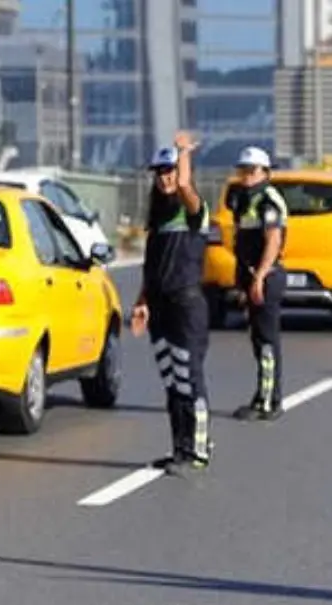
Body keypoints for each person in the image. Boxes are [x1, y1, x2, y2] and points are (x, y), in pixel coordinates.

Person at [129, 132, 212, 473]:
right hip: (161, 306)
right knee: (171, 380)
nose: (165, 177)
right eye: (160, 172)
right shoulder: (159, 220)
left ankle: (199, 450)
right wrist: (142, 303)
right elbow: (151, 268)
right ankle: (179, 448)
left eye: (170, 171)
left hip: (187, 305)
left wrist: (183, 156)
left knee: (189, 377)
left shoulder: (193, 212)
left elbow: (188, 191)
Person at [227, 146, 289, 421]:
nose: (246, 175)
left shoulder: (267, 199)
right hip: (251, 275)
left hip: (266, 276)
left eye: (252, 170)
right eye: (243, 170)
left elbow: (273, 241)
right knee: (258, 340)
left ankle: (268, 401)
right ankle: (263, 395)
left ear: (265, 172)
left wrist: (259, 277)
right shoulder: (244, 198)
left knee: (266, 341)